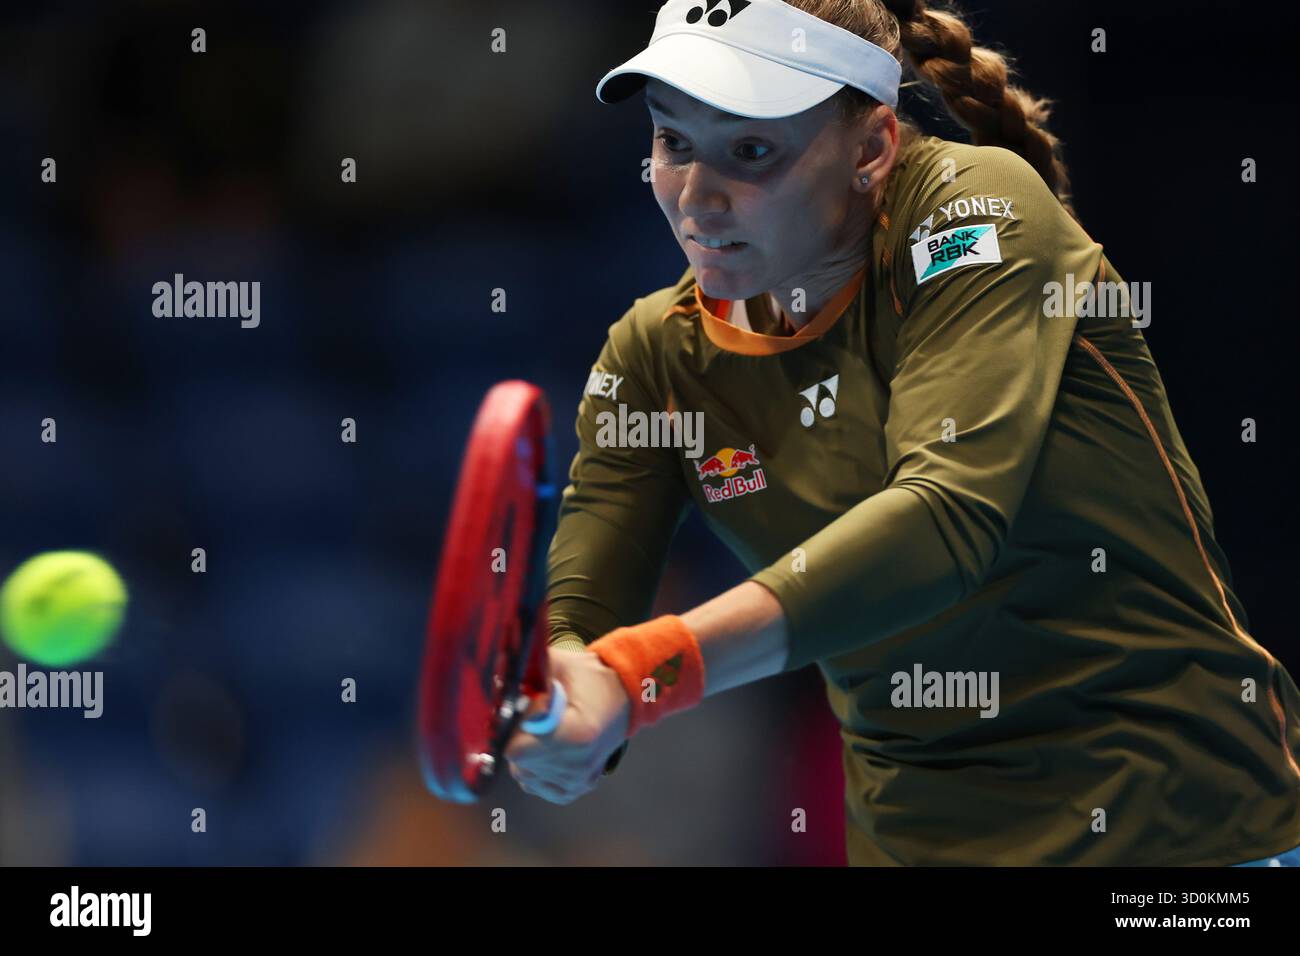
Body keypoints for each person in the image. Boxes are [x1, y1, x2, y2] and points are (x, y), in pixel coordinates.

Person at [504, 0, 1300, 866]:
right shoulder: (657, 356)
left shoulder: (978, 211)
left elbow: (942, 519)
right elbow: (583, 621)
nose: (697, 197)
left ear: (873, 149)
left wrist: (652, 670)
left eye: (751, 150)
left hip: (1182, 841)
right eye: (674, 143)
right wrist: (573, 701)